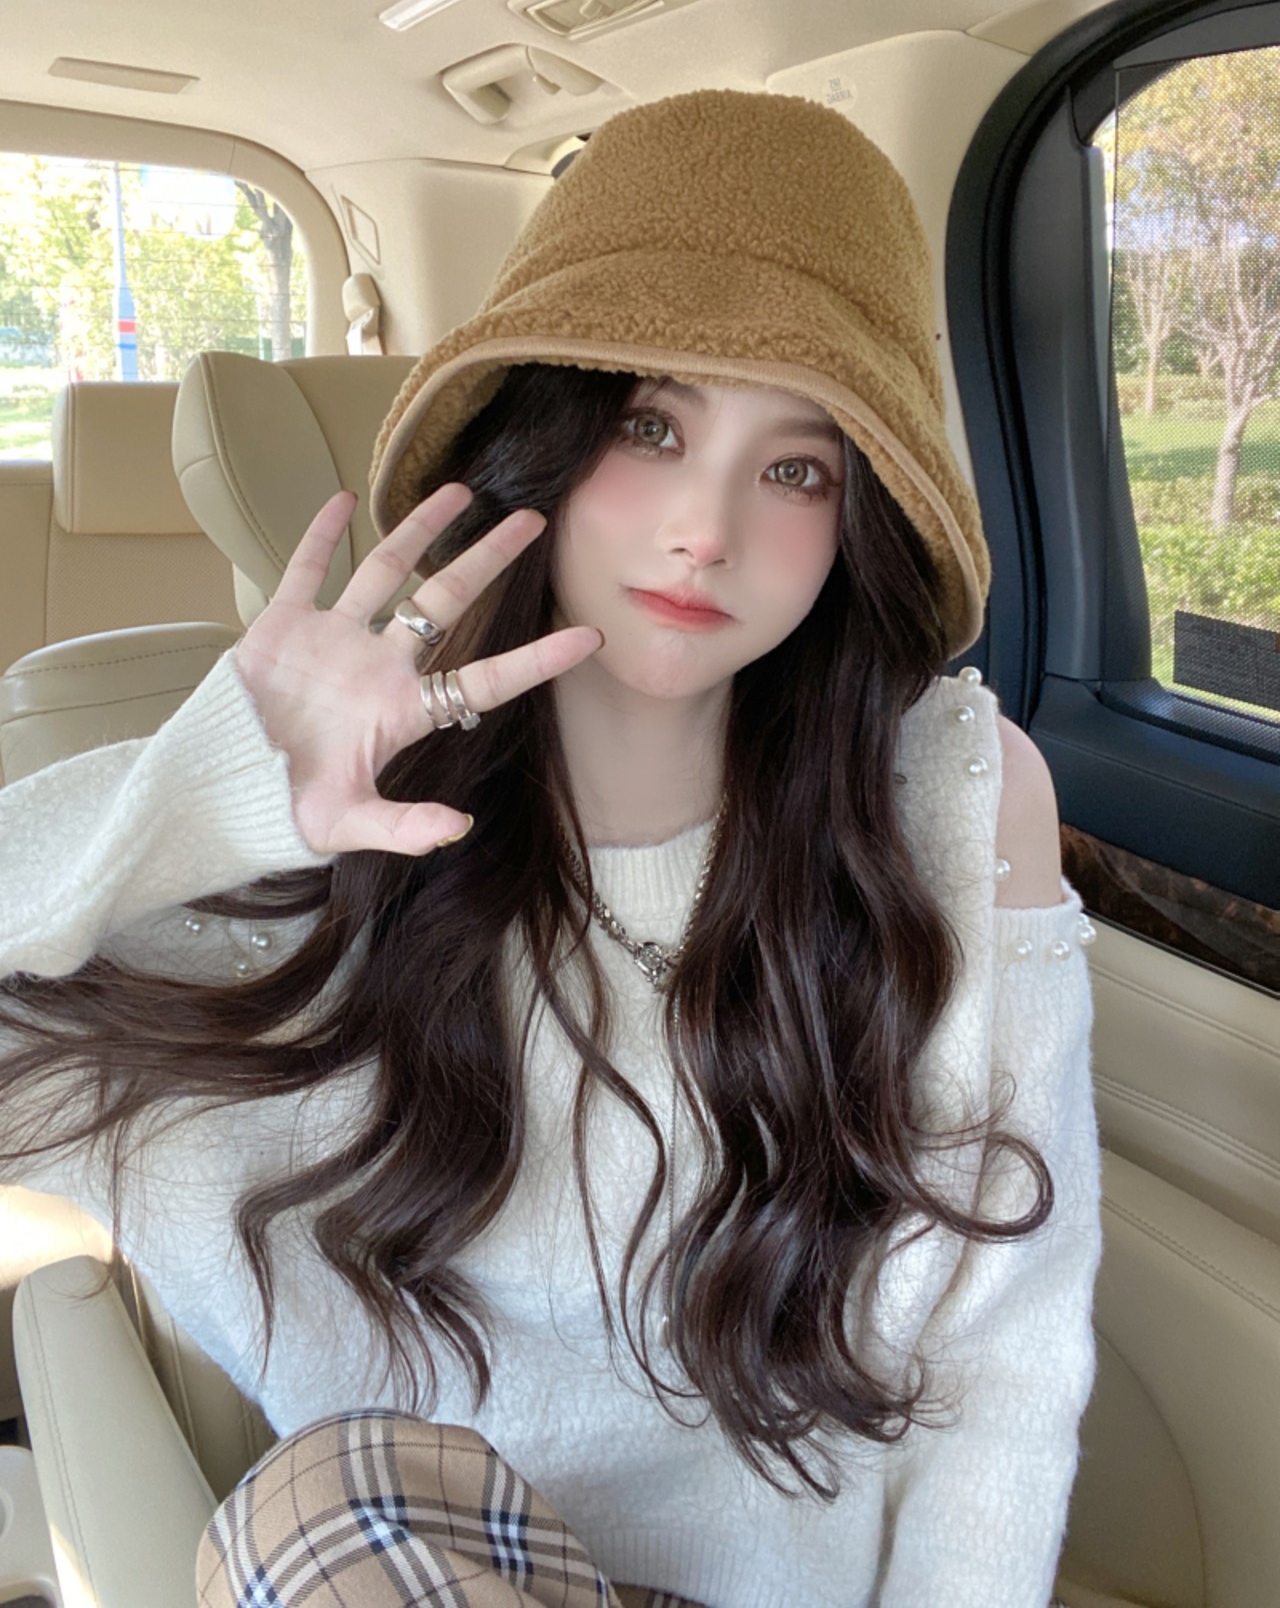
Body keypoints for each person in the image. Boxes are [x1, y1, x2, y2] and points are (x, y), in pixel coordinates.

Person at [0, 90, 1100, 1608]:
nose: (707, 526)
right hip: (418, 1560)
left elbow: (1002, 1364)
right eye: (652, 426)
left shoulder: (952, 800)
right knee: (323, 1507)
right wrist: (218, 789)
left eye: (798, 468)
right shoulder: (325, 846)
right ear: (547, 435)